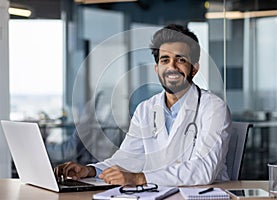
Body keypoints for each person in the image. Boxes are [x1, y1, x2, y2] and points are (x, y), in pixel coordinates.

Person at [54, 24, 232, 186]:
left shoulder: (214, 108)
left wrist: (139, 178)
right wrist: (90, 171)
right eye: (164, 60)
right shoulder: (146, 109)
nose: (172, 67)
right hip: (159, 194)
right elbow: (128, 158)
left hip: (204, 195)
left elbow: (203, 170)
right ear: (157, 69)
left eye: (181, 60)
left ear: (194, 68)